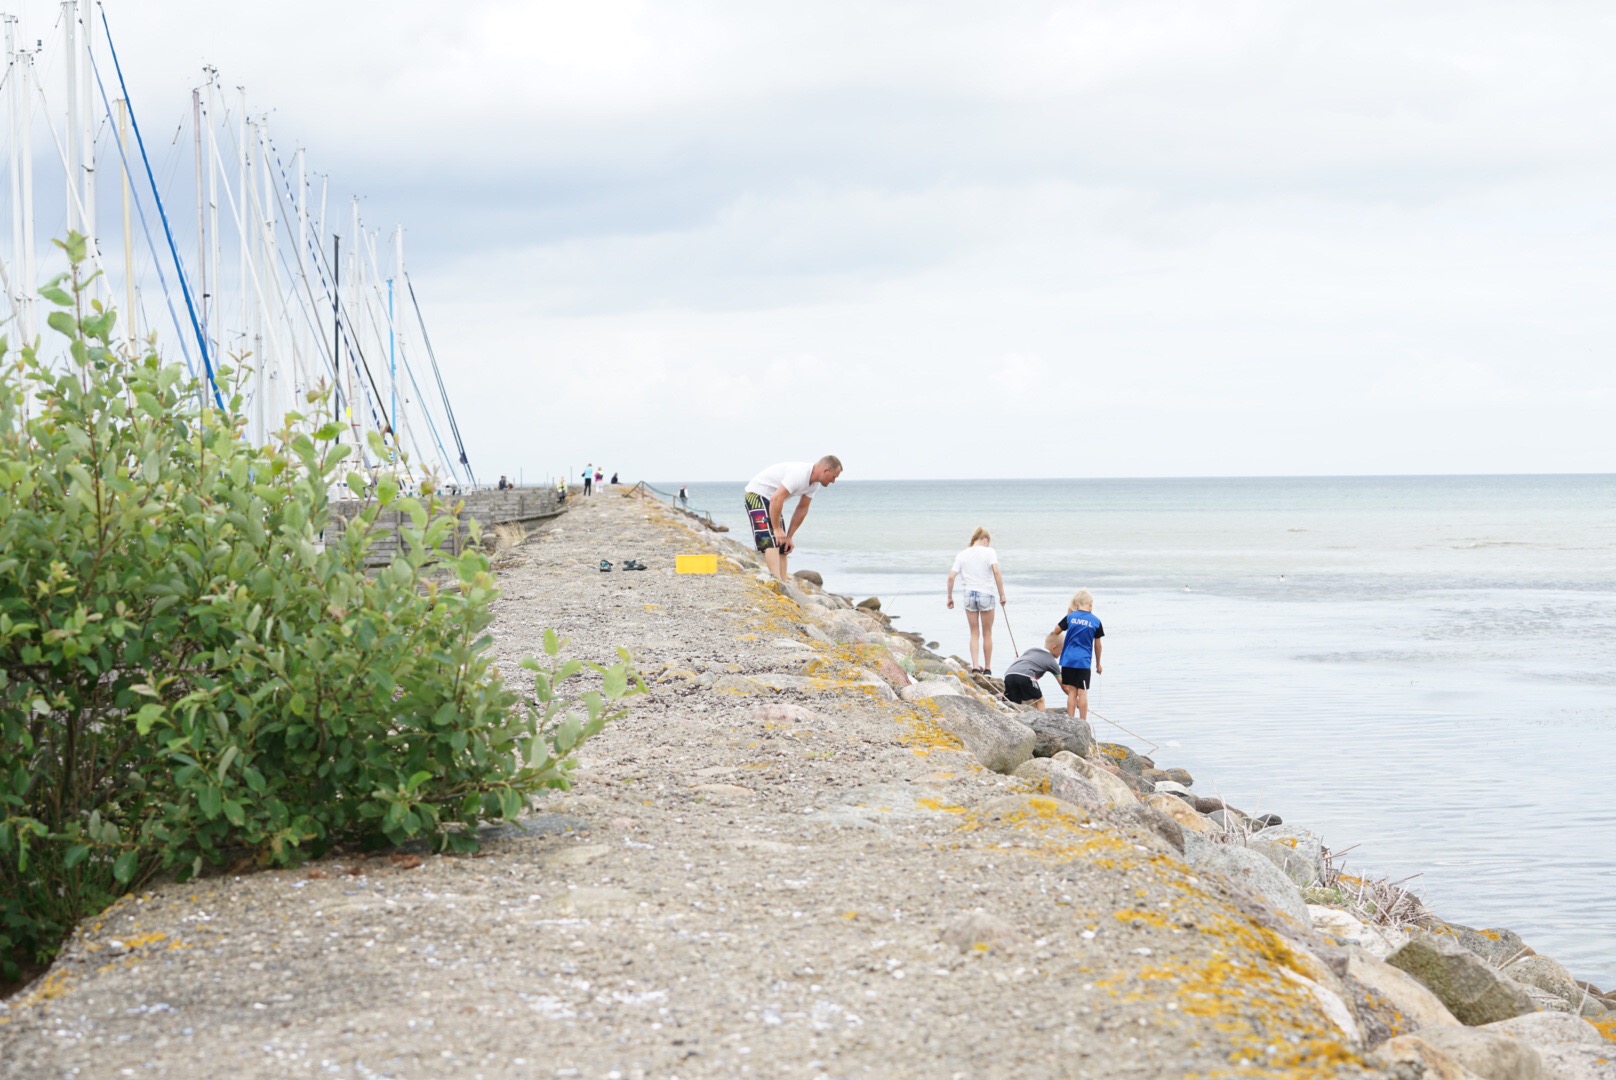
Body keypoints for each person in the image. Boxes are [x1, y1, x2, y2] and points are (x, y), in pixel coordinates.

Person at [743, 456, 843, 580]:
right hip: (757, 495)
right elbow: (776, 498)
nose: (833, 481)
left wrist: (789, 536)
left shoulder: (814, 485)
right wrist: (776, 529)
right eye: (834, 477)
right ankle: (777, 581)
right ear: (825, 470)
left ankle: (783, 581)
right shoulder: (799, 474)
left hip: (773, 500)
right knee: (770, 539)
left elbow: (802, 509)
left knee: (783, 543)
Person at [946, 527, 1007, 674]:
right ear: (985, 540)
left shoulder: (962, 554)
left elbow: (951, 577)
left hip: (969, 595)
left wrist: (950, 597)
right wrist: (1002, 595)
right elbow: (996, 572)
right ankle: (987, 669)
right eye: (988, 542)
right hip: (986, 593)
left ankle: (975, 666)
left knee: (974, 632)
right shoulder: (990, 552)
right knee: (987, 633)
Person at [1053, 589, 1105, 720]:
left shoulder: (1070, 617)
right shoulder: (1096, 621)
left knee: (1072, 692)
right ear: (1090, 604)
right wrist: (1098, 664)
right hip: (1083, 661)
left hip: (1068, 660)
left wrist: (1068, 615)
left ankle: (1071, 720)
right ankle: (1083, 722)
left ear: (1076, 604)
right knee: (1082, 692)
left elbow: (1056, 631)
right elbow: (1098, 646)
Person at [1002, 629, 1064, 710]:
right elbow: (1064, 685)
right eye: (1061, 650)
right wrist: (1074, 697)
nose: (1062, 653)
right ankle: (1042, 718)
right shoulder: (1051, 661)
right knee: (1040, 700)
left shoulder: (1031, 650)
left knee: (1014, 702)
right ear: (1054, 648)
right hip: (1025, 676)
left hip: (1009, 675)